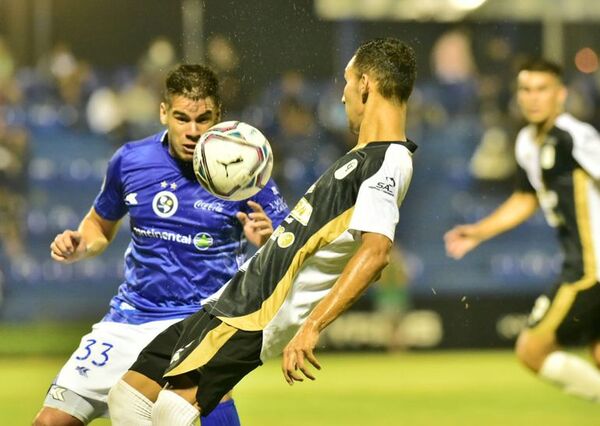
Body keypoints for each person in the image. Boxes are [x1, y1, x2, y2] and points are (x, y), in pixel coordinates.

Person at [106, 37, 417, 425]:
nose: (343, 96)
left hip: (256, 312)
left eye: (347, 82)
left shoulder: (389, 159)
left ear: (367, 84)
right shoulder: (362, 157)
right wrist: (276, 239)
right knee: (128, 397)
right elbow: (320, 241)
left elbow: (376, 254)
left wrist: (312, 326)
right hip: (233, 295)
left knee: (174, 408)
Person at [33, 64, 290, 426]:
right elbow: (99, 226)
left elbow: (290, 248)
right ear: (163, 112)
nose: (193, 131)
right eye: (182, 118)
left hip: (198, 320)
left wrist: (265, 240)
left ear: (219, 116)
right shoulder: (131, 160)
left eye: (204, 119)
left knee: (211, 400)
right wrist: (81, 243)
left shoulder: (246, 168)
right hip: (129, 318)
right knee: (49, 422)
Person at [445, 58, 600, 401]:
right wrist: (479, 231)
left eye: (542, 89)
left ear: (561, 94)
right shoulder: (527, 142)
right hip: (580, 263)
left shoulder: (574, 136)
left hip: (590, 269)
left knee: (532, 349)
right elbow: (525, 199)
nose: (533, 98)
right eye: (526, 90)